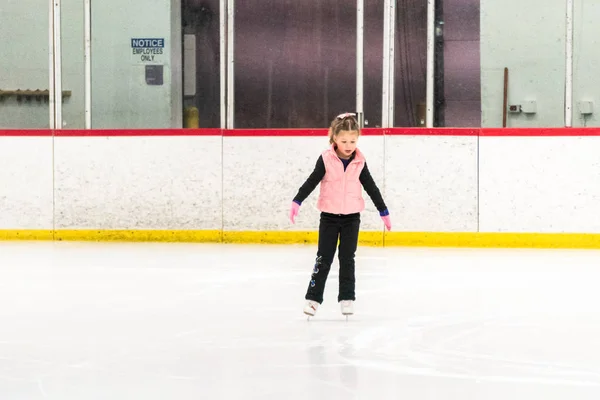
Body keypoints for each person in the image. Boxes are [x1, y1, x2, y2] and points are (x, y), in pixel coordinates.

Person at [289, 112, 392, 318]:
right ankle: (313, 300)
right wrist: (297, 200)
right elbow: (312, 180)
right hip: (328, 217)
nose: (348, 145)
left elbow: (371, 187)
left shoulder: (360, 162)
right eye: (344, 140)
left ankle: (347, 298)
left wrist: (383, 210)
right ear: (334, 138)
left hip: (351, 218)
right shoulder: (326, 159)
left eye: (353, 141)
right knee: (323, 258)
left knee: (347, 258)